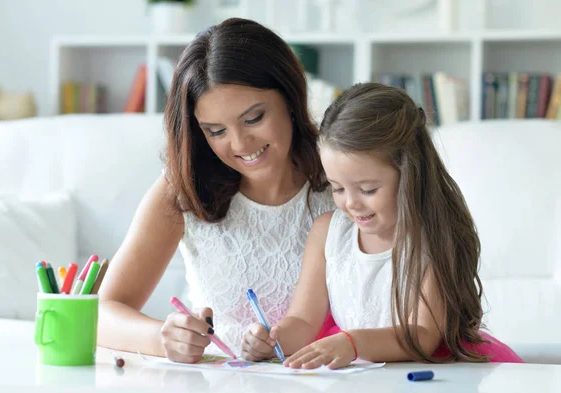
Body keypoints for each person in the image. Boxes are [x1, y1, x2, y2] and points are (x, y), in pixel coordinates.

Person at [97, 18, 336, 364]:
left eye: (254, 118)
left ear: (290, 97)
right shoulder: (183, 189)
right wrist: (164, 338)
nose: (240, 144)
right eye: (215, 130)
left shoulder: (341, 178)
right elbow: (104, 313)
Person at [241, 82, 523, 368]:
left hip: (427, 370)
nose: (351, 203)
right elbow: (303, 321)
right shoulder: (327, 233)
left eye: (367, 190)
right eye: (337, 188)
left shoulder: (433, 238)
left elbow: (422, 335)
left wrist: (353, 343)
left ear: (409, 176)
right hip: (359, 372)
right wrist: (273, 340)